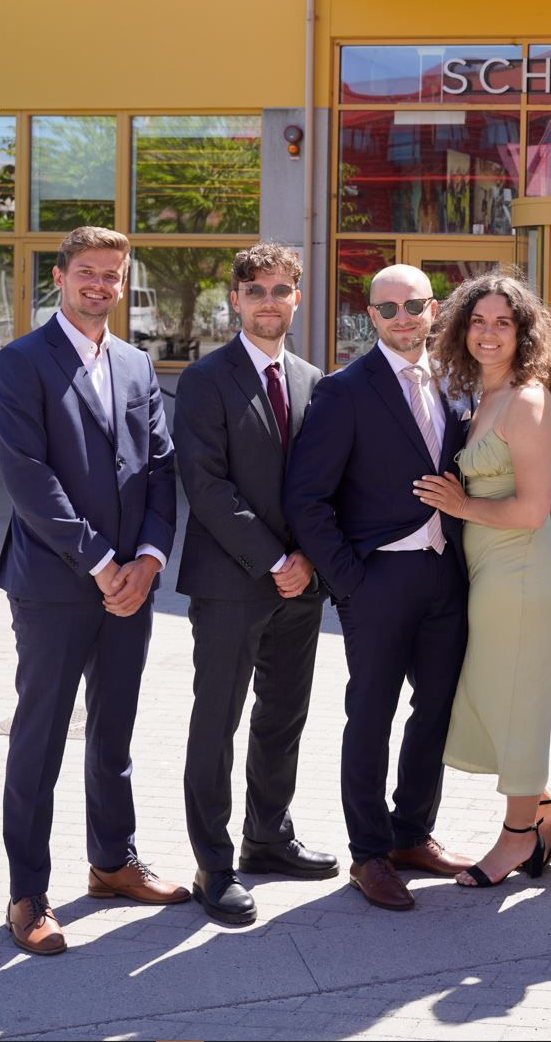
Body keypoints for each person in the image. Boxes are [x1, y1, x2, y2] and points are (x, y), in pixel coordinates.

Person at [0, 226, 183, 955]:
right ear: (60, 277)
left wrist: (150, 561)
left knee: (114, 731)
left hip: (133, 583)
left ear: (124, 284)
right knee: (40, 740)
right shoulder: (20, 362)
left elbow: (160, 467)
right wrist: (102, 563)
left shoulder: (135, 363)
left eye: (112, 275)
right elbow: (30, 478)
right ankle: (27, 894)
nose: (100, 285)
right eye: (87, 273)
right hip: (55, 585)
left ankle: (112, 861)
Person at [283, 264, 473, 912]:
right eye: (388, 308)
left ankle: (411, 834)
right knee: (371, 714)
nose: (402, 318)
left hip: (447, 573)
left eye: (414, 305)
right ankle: (369, 853)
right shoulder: (344, 390)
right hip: (378, 579)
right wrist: (351, 582)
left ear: (433, 309)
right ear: (370, 316)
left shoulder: (456, 382)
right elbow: (307, 498)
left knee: (436, 708)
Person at [173, 243, 336, 927]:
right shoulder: (205, 379)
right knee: (218, 720)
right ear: (236, 299)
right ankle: (213, 863)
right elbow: (206, 485)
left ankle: (268, 836)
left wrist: (308, 560)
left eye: (280, 290)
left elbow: (324, 482)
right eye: (256, 290)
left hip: (302, 583)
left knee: (283, 715)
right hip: (231, 581)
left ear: (297, 297)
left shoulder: (313, 379)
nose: (269, 301)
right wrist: (275, 559)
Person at [411, 274, 551, 889]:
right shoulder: (479, 396)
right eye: (478, 321)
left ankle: (517, 836)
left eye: (503, 323)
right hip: (490, 572)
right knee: (493, 700)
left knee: (518, 708)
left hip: (521, 572)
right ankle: (545, 809)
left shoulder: (527, 400)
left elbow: (533, 510)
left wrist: (461, 506)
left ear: (523, 334)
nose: (488, 333)